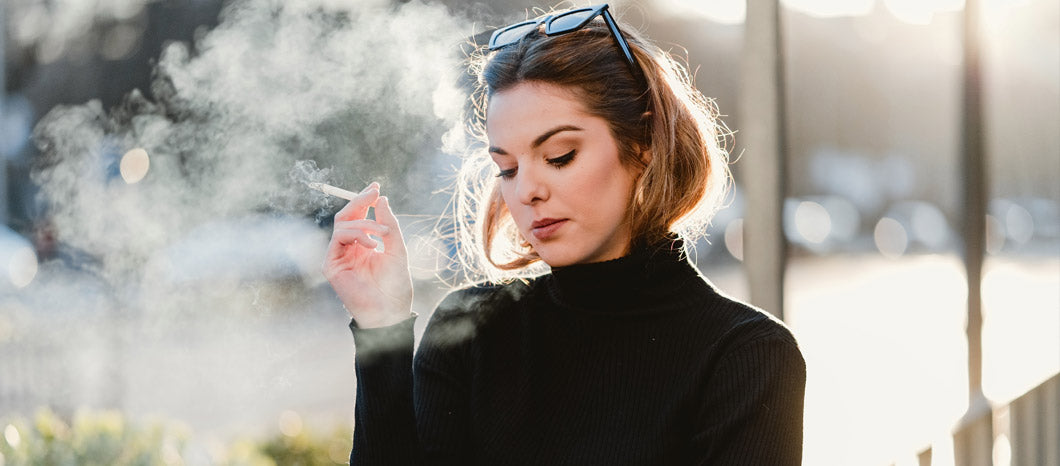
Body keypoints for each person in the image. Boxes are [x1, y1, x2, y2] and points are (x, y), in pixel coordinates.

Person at [323, 4, 806, 465]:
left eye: (559, 156)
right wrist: (381, 326)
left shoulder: (746, 356)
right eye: (507, 168)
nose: (528, 190)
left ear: (642, 146)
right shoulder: (471, 329)